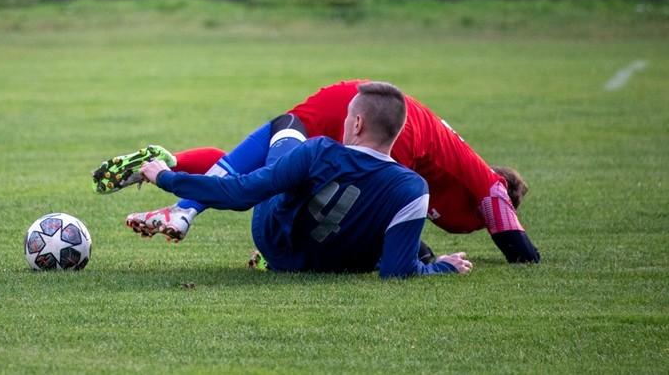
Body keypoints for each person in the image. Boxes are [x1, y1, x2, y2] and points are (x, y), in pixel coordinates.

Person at [92, 79, 540, 263]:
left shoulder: (420, 185)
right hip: (363, 109)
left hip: (371, 117)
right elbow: (497, 203)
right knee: (283, 146)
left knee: (275, 155)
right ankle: (185, 207)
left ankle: (172, 167)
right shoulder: (463, 177)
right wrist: (526, 257)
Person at [136, 82, 472, 278]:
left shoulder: (319, 151)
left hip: (277, 246)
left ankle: (183, 209)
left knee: (287, 125)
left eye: (346, 118)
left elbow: (239, 194)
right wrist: (441, 268)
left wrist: (166, 177)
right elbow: (397, 272)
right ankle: (183, 208)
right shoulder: (413, 188)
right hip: (337, 266)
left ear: (356, 125)